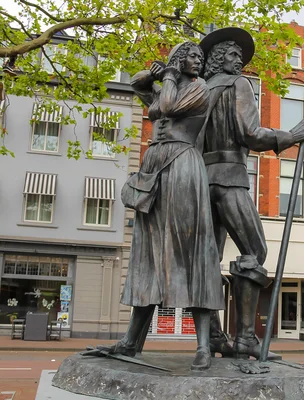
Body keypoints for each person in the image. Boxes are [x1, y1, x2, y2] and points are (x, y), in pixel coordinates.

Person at [96, 41, 223, 371]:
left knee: (192, 250)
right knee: (147, 255)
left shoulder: (199, 88)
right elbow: (137, 84)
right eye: (194, 56)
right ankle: (130, 342)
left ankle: (203, 346)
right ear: (180, 59)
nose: (200, 62)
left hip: (182, 164)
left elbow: (165, 107)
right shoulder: (169, 83)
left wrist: (167, 75)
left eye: (201, 58)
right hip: (154, 168)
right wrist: (153, 72)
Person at [198, 28, 304, 359]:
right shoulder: (239, 85)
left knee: (209, 260)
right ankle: (246, 339)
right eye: (234, 55)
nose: (240, 61)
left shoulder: (200, 90)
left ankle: (215, 337)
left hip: (201, 182)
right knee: (255, 251)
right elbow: (250, 133)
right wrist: (289, 136)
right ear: (221, 58)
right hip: (231, 178)